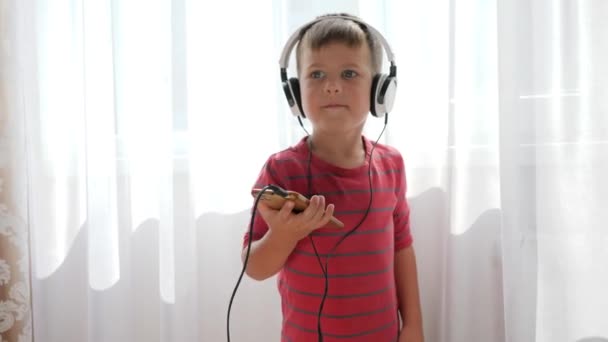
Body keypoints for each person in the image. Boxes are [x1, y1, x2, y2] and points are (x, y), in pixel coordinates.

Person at [242, 13, 424, 342]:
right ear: (295, 94)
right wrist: (283, 235)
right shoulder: (282, 171)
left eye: (350, 73)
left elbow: (402, 248)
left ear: (379, 91)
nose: (332, 85)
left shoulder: (391, 166)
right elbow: (253, 268)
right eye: (317, 74)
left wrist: (413, 325)